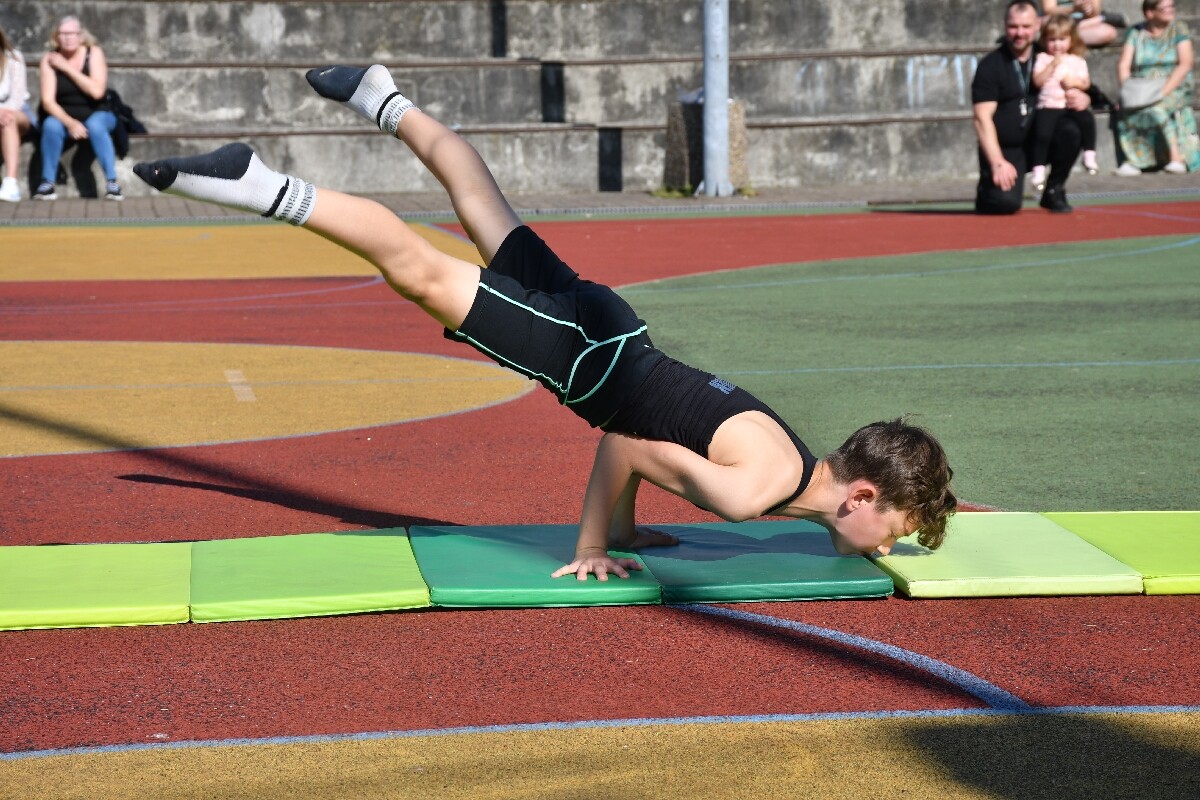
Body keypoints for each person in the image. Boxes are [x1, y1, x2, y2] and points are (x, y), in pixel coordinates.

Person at [131, 65, 957, 580]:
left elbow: (660, 439)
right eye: (899, 530)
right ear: (861, 494)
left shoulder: (791, 461)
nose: (892, 547)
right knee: (418, 270)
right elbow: (628, 442)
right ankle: (259, 182)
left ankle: (384, 98)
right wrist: (595, 542)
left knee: (487, 210)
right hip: (586, 356)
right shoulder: (754, 493)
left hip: (616, 329)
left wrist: (633, 524)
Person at [973, 0, 1091, 214]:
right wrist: (998, 161)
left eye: (1026, 27)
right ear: (1005, 26)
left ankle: (1054, 189)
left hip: (1041, 139)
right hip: (1007, 149)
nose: (1019, 33)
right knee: (1004, 204)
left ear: (1038, 25)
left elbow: (1085, 85)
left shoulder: (1050, 54)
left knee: (1072, 129)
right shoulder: (991, 65)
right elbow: (982, 119)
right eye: (1013, 27)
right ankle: (987, 188)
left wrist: (1085, 98)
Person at [34, 15, 122, 200]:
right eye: (63, 34)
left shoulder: (94, 53)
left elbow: (97, 92)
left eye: (72, 33)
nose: (68, 38)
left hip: (99, 113)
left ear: (81, 36)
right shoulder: (49, 60)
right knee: (50, 125)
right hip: (65, 116)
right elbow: (48, 101)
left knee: (96, 126)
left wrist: (66, 68)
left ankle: (112, 183)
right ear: (56, 36)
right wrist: (70, 123)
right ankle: (47, 183)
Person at [1115, 0, 1198, 175]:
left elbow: (1185, 64)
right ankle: (1134, 160)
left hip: (1174, 84)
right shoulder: (1135, 32)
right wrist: (1128, 92)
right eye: (1164, 8)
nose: (1170, 11)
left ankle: (1176, 158)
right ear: (1149, 13)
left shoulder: (1179, 29)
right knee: (1128, 108)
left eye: (1171, 7)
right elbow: (1123, 66)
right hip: (1142, 86)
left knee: (1157, 108)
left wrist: (1161, 93)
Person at [1030, 12, 1100, 191]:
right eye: (1052, 40)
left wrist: (1075, 84)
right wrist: (1052, 65)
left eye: (1062, 39)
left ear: (1071, 40)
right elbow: (1037, 81)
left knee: (1087, 121)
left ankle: (1089, 155)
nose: (1057, 44)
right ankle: (1038, 169)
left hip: (1069, 105)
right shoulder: (1043, 59)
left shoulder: (1077, 61)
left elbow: (1086, 83)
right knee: (1042, 134)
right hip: (1049, 105)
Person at [0, 23, 34, 203]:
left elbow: (18, 96)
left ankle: (11, 183)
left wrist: (4, 112)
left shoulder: (14, 58)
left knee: (9, 120)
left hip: (16, 112)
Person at [1041, 1, 1126, 48]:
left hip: (1082, 24)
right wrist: (1074, 9)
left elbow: (1095, 12)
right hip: (1058, 22)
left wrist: (1089, 9)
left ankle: (1065, 38)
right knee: (1045, 22)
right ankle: (1103, 18)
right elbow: (1049, 10)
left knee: (1109, 32)